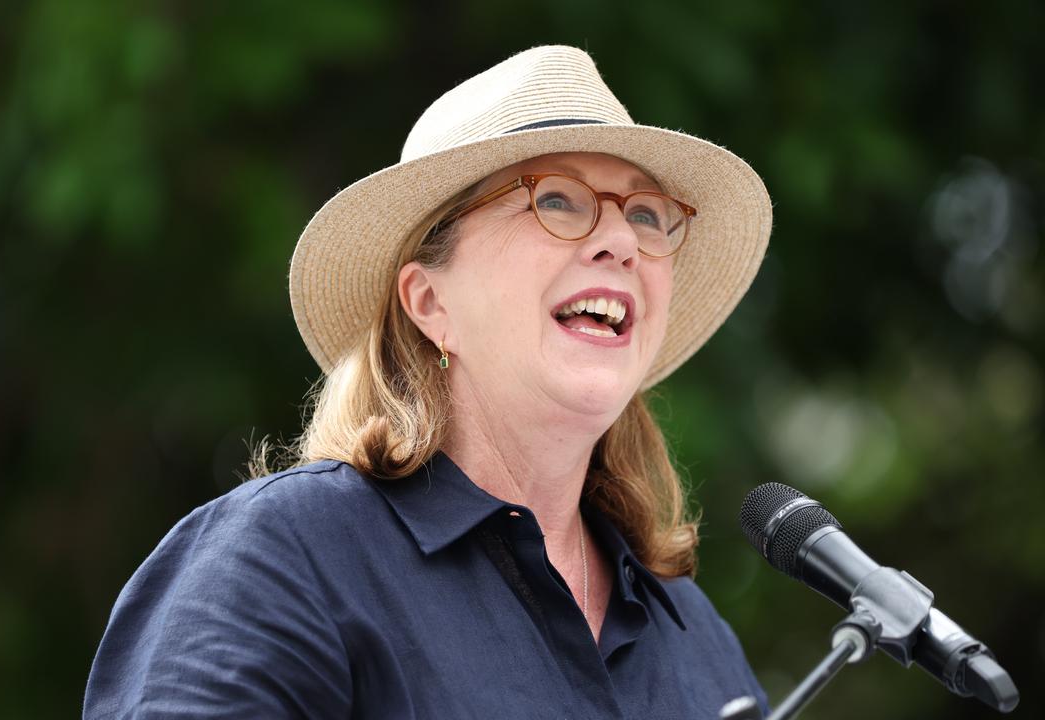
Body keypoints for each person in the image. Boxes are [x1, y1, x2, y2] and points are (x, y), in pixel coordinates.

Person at [84, 44, 773, 719]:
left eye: (648, 215)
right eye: (558, 201)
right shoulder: (288, 556)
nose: (622, 241)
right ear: (429, 303)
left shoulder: (698, 640)